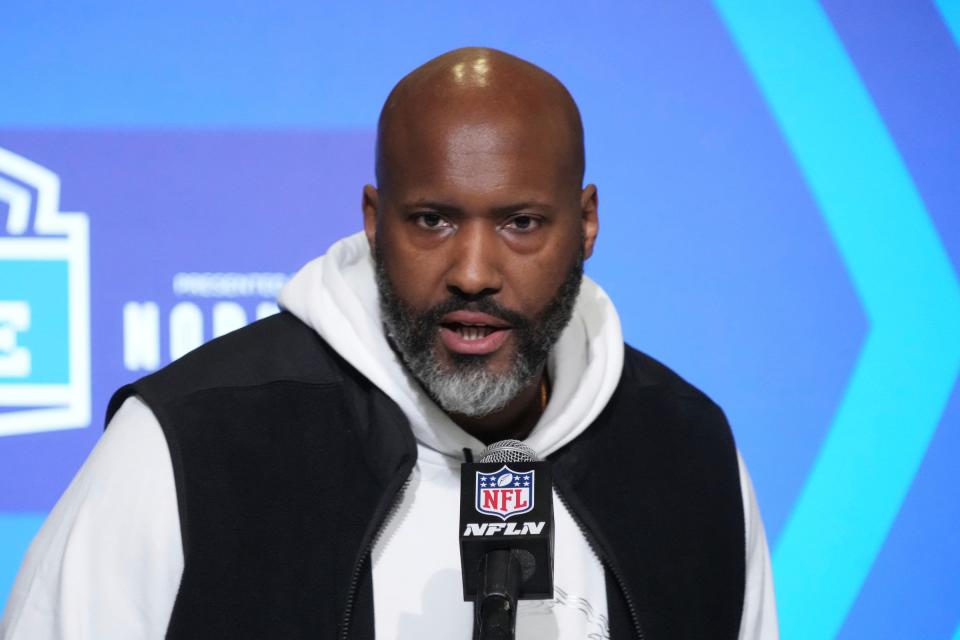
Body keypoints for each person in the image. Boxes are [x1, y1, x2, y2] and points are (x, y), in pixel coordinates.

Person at [1, 47, 777, 639]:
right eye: (432, 220)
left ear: (588, 224)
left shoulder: (687, 454)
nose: (474, 272)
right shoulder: (189, 445)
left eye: (521, 223)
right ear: (375, 223)